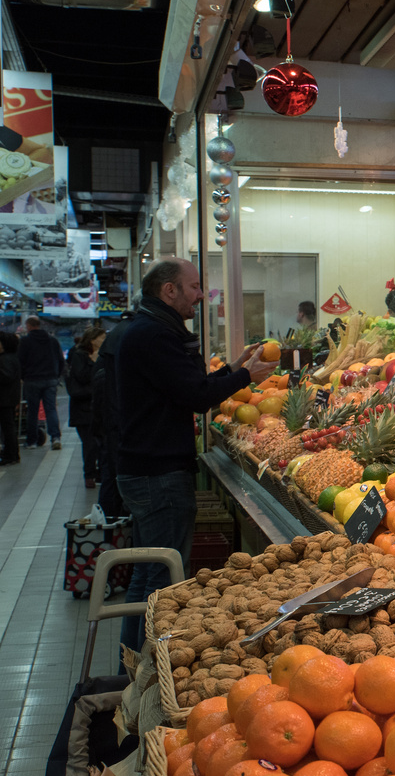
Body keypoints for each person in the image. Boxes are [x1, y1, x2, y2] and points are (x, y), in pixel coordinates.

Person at [117, 258, 276, 650]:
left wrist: (234, 369)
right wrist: (243, 378)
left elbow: (189, 387)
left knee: (147, 575)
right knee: (161, 578)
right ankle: (147, 669)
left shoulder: (149, 329)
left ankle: (133, 662)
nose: (201, 294)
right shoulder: (155, 335)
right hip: (158, 475)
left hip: (145, 468)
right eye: (194, 286)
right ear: (168, 290)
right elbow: (194, 396)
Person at [93, 312, 134, 516]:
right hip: (119, 426)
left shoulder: (119, 333)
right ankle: (112, 526)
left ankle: (109, 524)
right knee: (113, 480)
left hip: (113, 425)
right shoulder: (131, 334)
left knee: (111, 476)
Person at [66, 326, 106, 487]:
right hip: (82, 408)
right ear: (92, 339)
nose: (104, 341)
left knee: (100, 443)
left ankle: (99, 473)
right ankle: (89, 474)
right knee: (89, 444)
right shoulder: (79, 355)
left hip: (98, 406)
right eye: (102, 338)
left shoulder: (103, 355)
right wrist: (94, 362)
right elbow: (82, 377)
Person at [18, 315, 63, 449]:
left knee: (32, 411)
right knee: (51, 409)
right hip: (50, 379)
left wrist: (23, 376)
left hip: (32, 380)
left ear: (29, 326)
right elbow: (60, 360)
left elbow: (20, 361)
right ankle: (55, 438)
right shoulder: (52, 341)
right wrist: (56, 376)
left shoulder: (25, 342)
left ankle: (32, 441)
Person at [0, 331, 19, 466]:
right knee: (9, 426)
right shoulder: (12, 357)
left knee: (8, 427)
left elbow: (5, 377)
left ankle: (10, 454)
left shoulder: (4, 359)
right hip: (9, 397)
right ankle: (11, 453)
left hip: (4, 398)